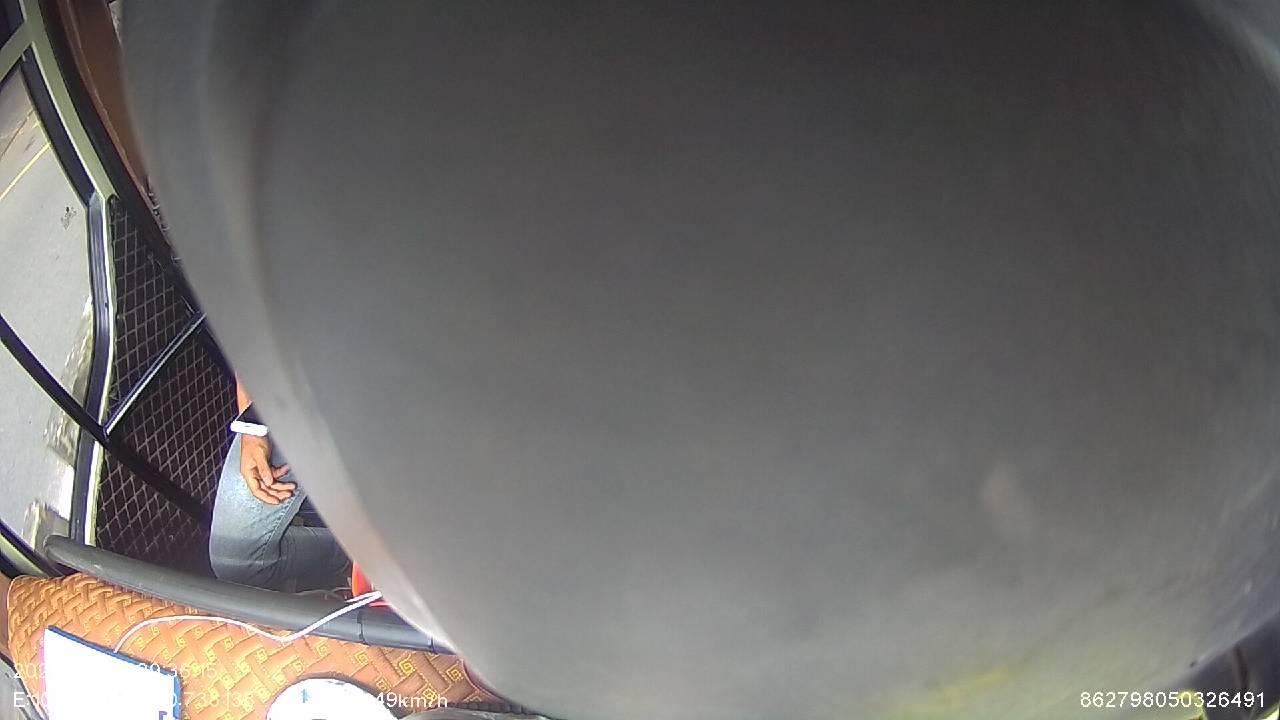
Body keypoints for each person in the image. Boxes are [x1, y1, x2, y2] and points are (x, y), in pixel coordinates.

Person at [208, 377, 349, 591]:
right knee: (235, 563)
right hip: (301, 396)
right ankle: (352, 556)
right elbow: (251, 355)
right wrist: (252, 426)